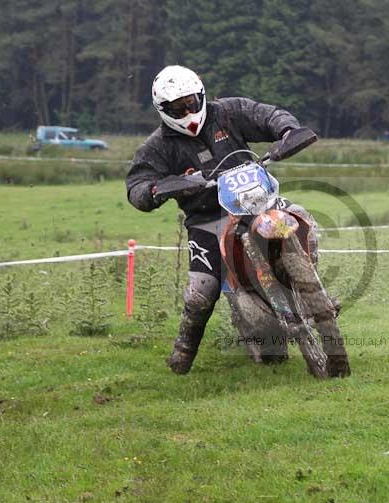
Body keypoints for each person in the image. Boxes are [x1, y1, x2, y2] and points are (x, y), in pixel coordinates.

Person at [126, 65, 316, 374]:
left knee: (301, 219)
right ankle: (184, 349)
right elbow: (137, 185)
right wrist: (157, 188)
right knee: (202, 289)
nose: (187, 111)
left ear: (200, 95)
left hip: (256, 202)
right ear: (163, 110)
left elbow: (266, 115)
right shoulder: (157, 146)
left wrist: (286, 132)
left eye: (190, 102)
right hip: (206, 220)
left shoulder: (228, 112)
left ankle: (314, 292)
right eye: (177, 108)